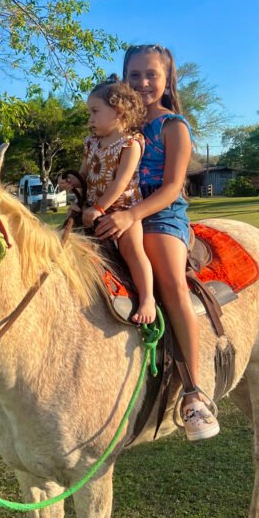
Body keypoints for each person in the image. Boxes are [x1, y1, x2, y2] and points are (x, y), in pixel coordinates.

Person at [95, 45, 220, 442]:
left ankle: (194, 392)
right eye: (135, 75)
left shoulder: (173, 126)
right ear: (124, 79)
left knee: (170, 281)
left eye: (152, 75)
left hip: (160, 211)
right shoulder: (117, 123)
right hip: (118, 206)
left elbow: (171, 187)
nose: (143, 83)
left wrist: (131, 215)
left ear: (167, 80)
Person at [61, 77, 156, 325]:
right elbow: (84, 174)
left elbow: (120, 183)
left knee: (132, 249)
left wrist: (100, 207)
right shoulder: (92, 143)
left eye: (95, 112)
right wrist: (72, 181)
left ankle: (147, 298)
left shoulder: (130, 144)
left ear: (119, 111)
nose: (90, 119)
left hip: (122, 210)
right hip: (91, 209)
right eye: (89, 113)